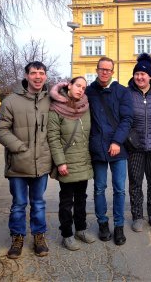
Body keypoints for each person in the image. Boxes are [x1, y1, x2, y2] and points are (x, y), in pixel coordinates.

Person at [0, 61, 51, 259]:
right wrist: (19, 147)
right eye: (33, 73)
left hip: (41, 164)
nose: (37, 76)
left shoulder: (51, 100)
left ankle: (39, 236)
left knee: (38, 203)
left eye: (41, 73)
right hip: (18, 163)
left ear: (45, 76)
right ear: (26, 76)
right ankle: (17, 237)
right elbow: (0, 128)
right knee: (18, 204)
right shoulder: (10, 101)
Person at [86, 57, 133, 245]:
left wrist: (116, 141)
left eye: (108, 70)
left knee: (120, 189)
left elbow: (127, 119)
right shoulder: (89, 92)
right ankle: (103, 223)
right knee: (99, 188)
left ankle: (119, 226)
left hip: (118, 147)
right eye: (101, 69)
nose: (104, 72)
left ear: (113, 72)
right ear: (97, 70)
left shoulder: (122, 92)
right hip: (97, 146)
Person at [47, 77, 95, 251]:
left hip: (82, 161)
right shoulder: (56, 108)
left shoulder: (85, 107)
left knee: (81, 198)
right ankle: (66, 234)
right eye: (78, 86)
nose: (81, 90)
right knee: (67, 201)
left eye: (83, 87)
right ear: (69, 85)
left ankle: (80, 229)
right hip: (66, 162)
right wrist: (60, 162)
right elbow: (53, 138)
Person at [125, 53, 151, 232]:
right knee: (135, 182)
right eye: (137, 74)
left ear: (150, 75)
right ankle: (137, 216)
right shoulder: (127, 94)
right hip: (135, 146)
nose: (140, 77)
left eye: (143, 74)